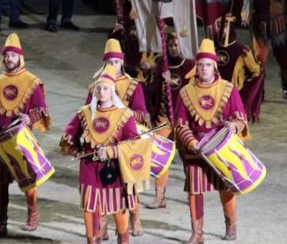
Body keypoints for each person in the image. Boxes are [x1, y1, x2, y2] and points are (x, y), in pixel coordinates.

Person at [60, 65, 150, 244]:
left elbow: (134, 144)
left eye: (106, 88)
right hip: (89, 168)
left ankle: (123, 239)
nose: (102, 91)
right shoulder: (84, 113)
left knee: (118, 205)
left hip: (115, 169)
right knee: (89, 206)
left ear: (112, 91)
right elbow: (67, 139)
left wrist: (111, 150)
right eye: (99, 88)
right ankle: (92, 240)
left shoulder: (125, 115)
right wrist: (77, 151)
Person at [175, 38, 250, 243]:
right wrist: (191, 143)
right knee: (194, 189)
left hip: (221, 148)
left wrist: (234, 126)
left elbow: (241, 118)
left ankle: (231, 224)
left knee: (226, 187)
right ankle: (197, 233)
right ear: (196, 67)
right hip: (195, 148)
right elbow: (180, 124)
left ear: (214, 66)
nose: (204, 68)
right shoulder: (186, 92)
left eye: (208, 64)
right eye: (200, 65)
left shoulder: (228, 89)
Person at [0, 33, 51, 236]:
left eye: (13, 55)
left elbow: (41, 109)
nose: (9, 58)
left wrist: (31, 117)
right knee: (1, 184)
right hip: (1, 140)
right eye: (6, 55)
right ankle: (1, 223)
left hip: (22, 139)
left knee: (28, 181)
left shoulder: (32, 82)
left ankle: (33, 214)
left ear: (20, 57)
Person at [85, 38, 149, 238]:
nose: (113, 65)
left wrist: (122, 114)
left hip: (125, 140)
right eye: (109, 62)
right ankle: (102, 226)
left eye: (116, 61)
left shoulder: (133, 85)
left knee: (128, 181)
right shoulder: (96, 87)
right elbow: (88, 113)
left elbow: (142, 114)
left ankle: (134, 217)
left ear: (122, 62)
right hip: (102, 140)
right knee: (101, 185)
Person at [146, 32, 195, 209]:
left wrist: (175, 83)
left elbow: (194, 93)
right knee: (160, 157)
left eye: (177, 45)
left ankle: (193, 195)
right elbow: (151, 91)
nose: (174, 48)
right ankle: (160, 196)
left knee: (187, 157)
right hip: (164, 117)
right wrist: (158, 77)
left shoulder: (191, 66)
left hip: (183, 120)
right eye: (171, 45)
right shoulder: (162, 65)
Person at [243, 0, 287, 98]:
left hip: (279, 28)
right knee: (258, 61)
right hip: (260, 29)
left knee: (285, 59)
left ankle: (286, 86)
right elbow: (246, 6)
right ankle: (258, 90)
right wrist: (245, 16)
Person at [215, 14, 264, 122]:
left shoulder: (242, 51)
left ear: (231, 27)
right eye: (218, 25)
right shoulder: (213, 49)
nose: (221, 29)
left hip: (232, 98)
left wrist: (244, 87)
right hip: (215, 97)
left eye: (224, 26)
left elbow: (256, 71)